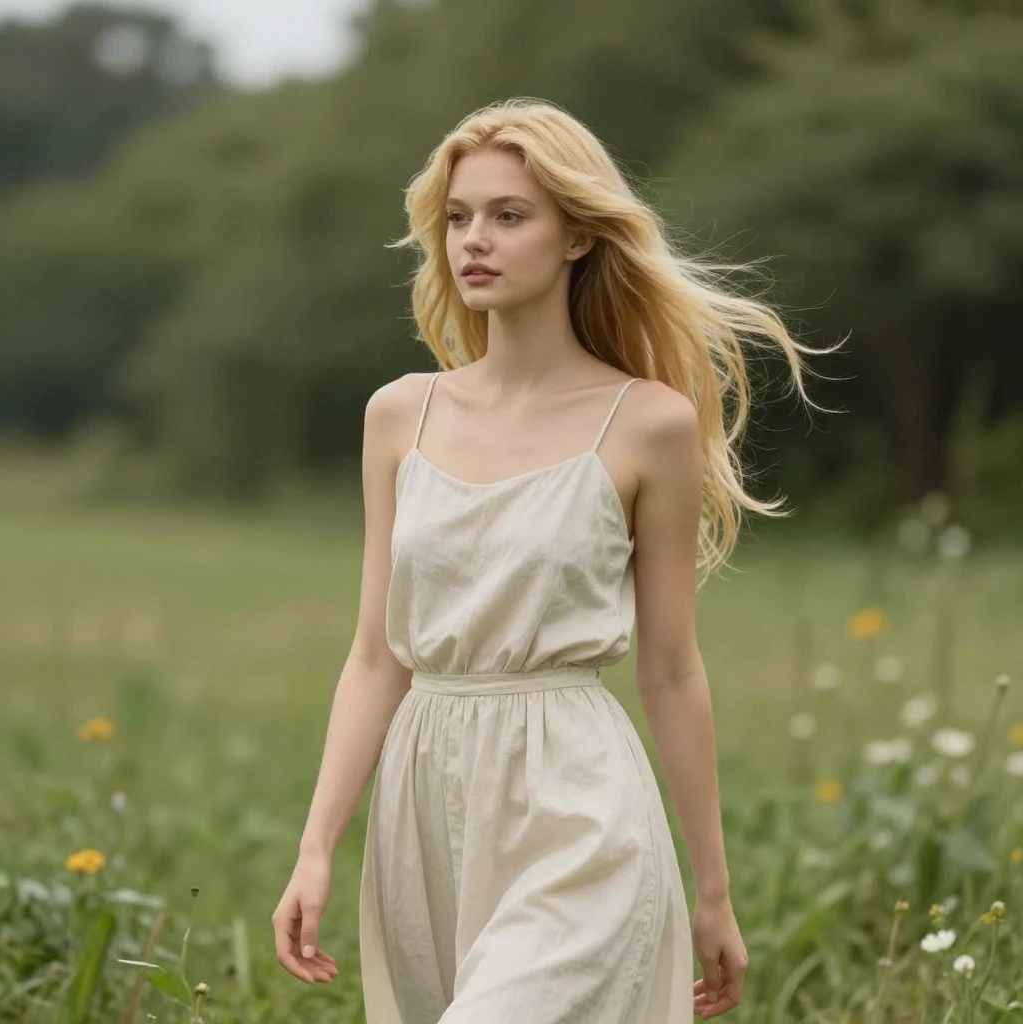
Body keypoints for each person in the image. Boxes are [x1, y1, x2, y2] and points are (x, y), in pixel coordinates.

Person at [271, 98, 831, 1022]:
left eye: (509, 215)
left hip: (577, 800)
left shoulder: (649, 423)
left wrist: (713, 891)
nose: (473, 241)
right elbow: (378, 657)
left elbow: (672, 668)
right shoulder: (398, 415)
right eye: (458, 218)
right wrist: (317, 845)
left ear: (577, 237)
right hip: (424, 805)